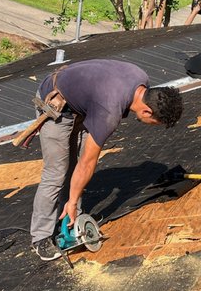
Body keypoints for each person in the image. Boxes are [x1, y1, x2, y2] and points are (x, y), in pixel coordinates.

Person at [29, 59, 183, 261]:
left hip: (84, 104)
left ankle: (70, 218)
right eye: (155, 123)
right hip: (55, 104)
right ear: (147, 111)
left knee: (74, 168)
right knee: (57, 173)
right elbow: (88, 162)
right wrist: (73, 201)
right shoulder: (109, 110)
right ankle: (40, 237)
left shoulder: (140, 78)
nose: (151, 126)